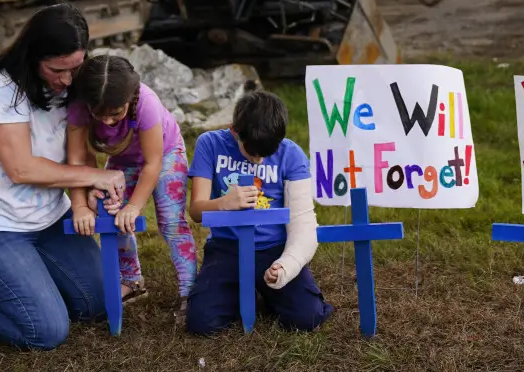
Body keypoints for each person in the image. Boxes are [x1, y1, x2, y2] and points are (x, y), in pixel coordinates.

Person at [0, 3, 128, 350]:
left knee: (98, 303)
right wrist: (93, 175)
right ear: (33, 56)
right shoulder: (0, 87)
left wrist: (86, 196)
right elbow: (21, 169)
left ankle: (34, 284)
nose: (68, 80)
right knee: (45, 331)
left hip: (49, 219)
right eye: (57, 69)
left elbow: (79, 148)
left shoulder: (73, 83)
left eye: (75, 68)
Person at [184, 88, 333, 335]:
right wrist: (223, 202)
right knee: (201, 324)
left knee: (308, 317)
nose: (258, 161)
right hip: (227, 246)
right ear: (234, 130)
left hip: (274, 248)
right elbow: (197, 211)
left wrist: (286, 264)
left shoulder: (291, 154)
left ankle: (261, 289)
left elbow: (302, 221)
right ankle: (241, 291)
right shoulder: (210, 144)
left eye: (267, 153)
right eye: (251, 152)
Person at [66, 54, 197, 325]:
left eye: (115, 114)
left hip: (165, 154)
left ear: (131, 97)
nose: (107, 122)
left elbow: (153, 163)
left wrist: (135, 206)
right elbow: (78, 160)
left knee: (171, 221)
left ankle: (191, 291)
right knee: (112, 216)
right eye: (98, 114)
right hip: (122, 160)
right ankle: (132, 280)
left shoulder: (145, 101)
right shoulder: (79, 106)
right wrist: (80, 203)